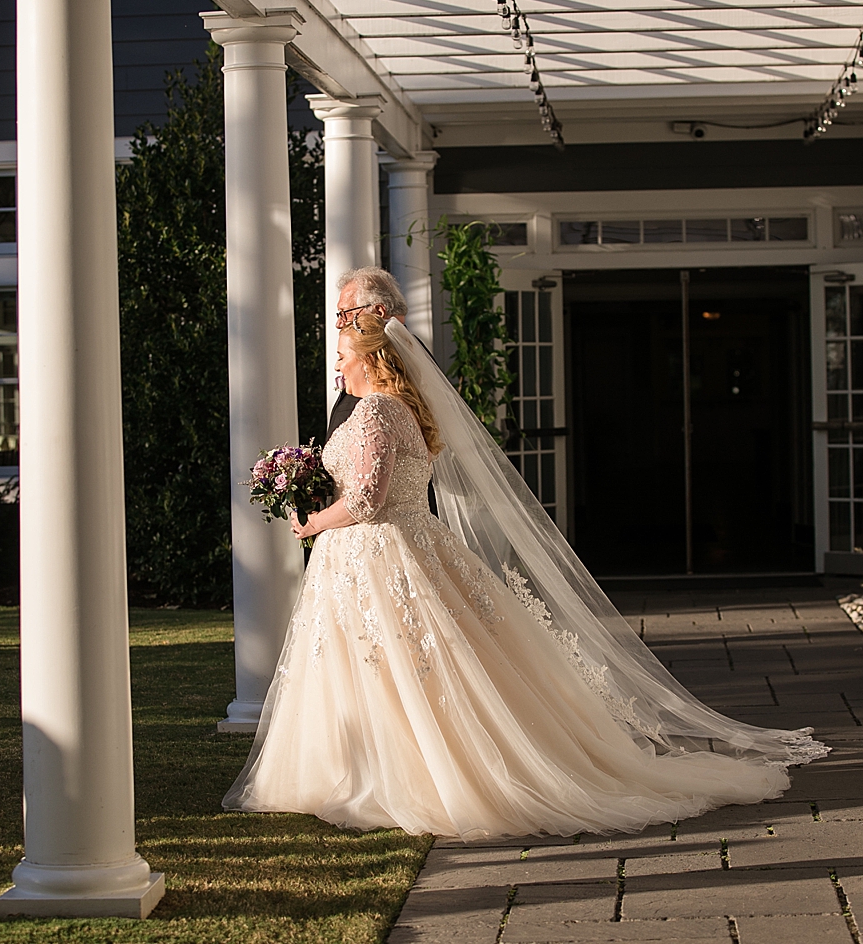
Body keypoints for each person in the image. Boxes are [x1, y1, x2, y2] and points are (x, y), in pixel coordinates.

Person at [223, 314, 827, 841]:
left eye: (344, 355)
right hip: (378, 552)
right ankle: (362, 764)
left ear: (374, 359)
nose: (339, 367)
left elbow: (370, 499)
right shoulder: (395, 408)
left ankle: (400, 774)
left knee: (400, 665)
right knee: (389, 666)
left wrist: (309, 524)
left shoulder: (381, 409)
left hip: (382, 551)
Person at [327, 266, 408, 441]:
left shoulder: (395, 360)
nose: (339, 323)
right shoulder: (411, 351)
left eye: (345, 313)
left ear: (379, 312)